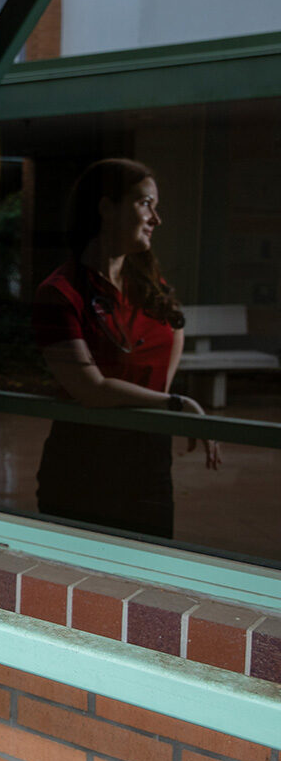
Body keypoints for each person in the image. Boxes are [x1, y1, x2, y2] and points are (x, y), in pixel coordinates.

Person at [31, 158, 221, 540]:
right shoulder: (59, 293)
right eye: (145, 203)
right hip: (84, 467)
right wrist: (174, 403)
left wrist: (158, 396)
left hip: (148, 463)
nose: (156, 218)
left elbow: (172, 332)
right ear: (105, 207)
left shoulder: (148, 284)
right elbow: (91, 389)